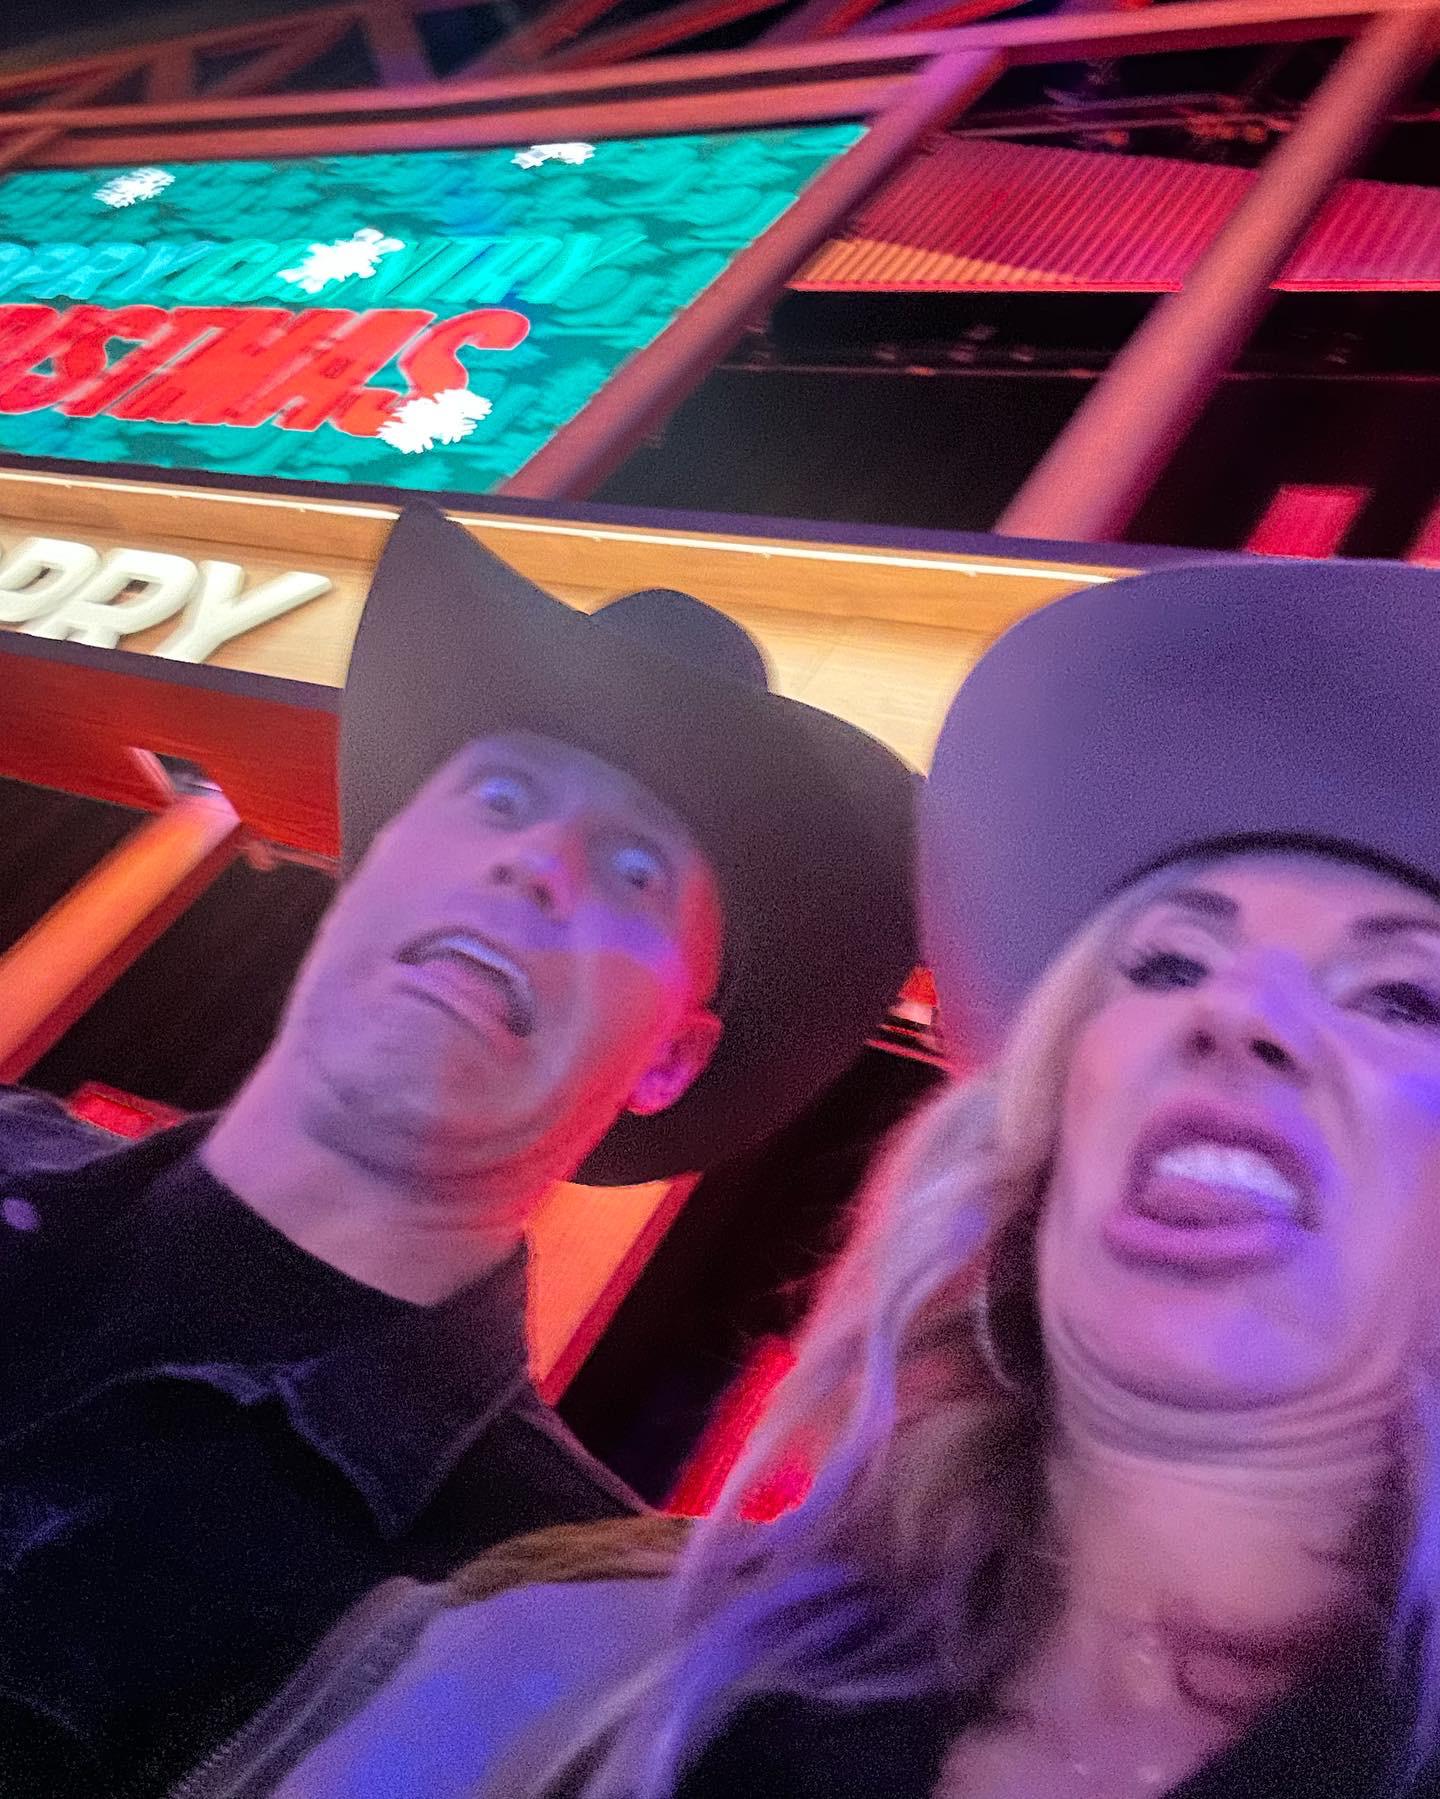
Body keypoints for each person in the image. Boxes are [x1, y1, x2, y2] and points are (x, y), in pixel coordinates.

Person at [192, 554, 1440, 1799]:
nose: (1241, 1010)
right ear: (1038, 1140)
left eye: (1401, 994)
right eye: (1167, 964)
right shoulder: (544, 1675)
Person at [0, 502, 917, 1798]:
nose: (538, 863)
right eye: (500, 796)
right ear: (368, 866)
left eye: (636, 870)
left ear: (669, 1058)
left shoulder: (546, 1655)